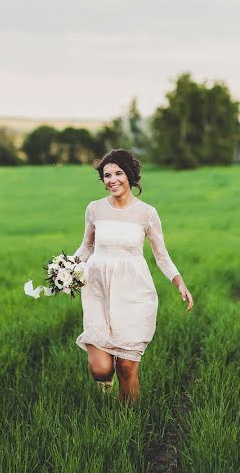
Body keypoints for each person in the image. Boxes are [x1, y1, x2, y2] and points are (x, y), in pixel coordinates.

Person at [73, 149, 193, 403]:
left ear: (129, 175)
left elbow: (161, 255)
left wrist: (179, 282)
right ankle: (106, 384)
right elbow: (87, 246)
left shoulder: (147, 213)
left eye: (118, 173)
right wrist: (66, 267)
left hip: (134, 291)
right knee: (101, 369)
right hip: (98, 289)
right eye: (107, 175)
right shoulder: (94, 209)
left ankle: (128, 423)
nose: (112, 180)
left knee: (127, 367)